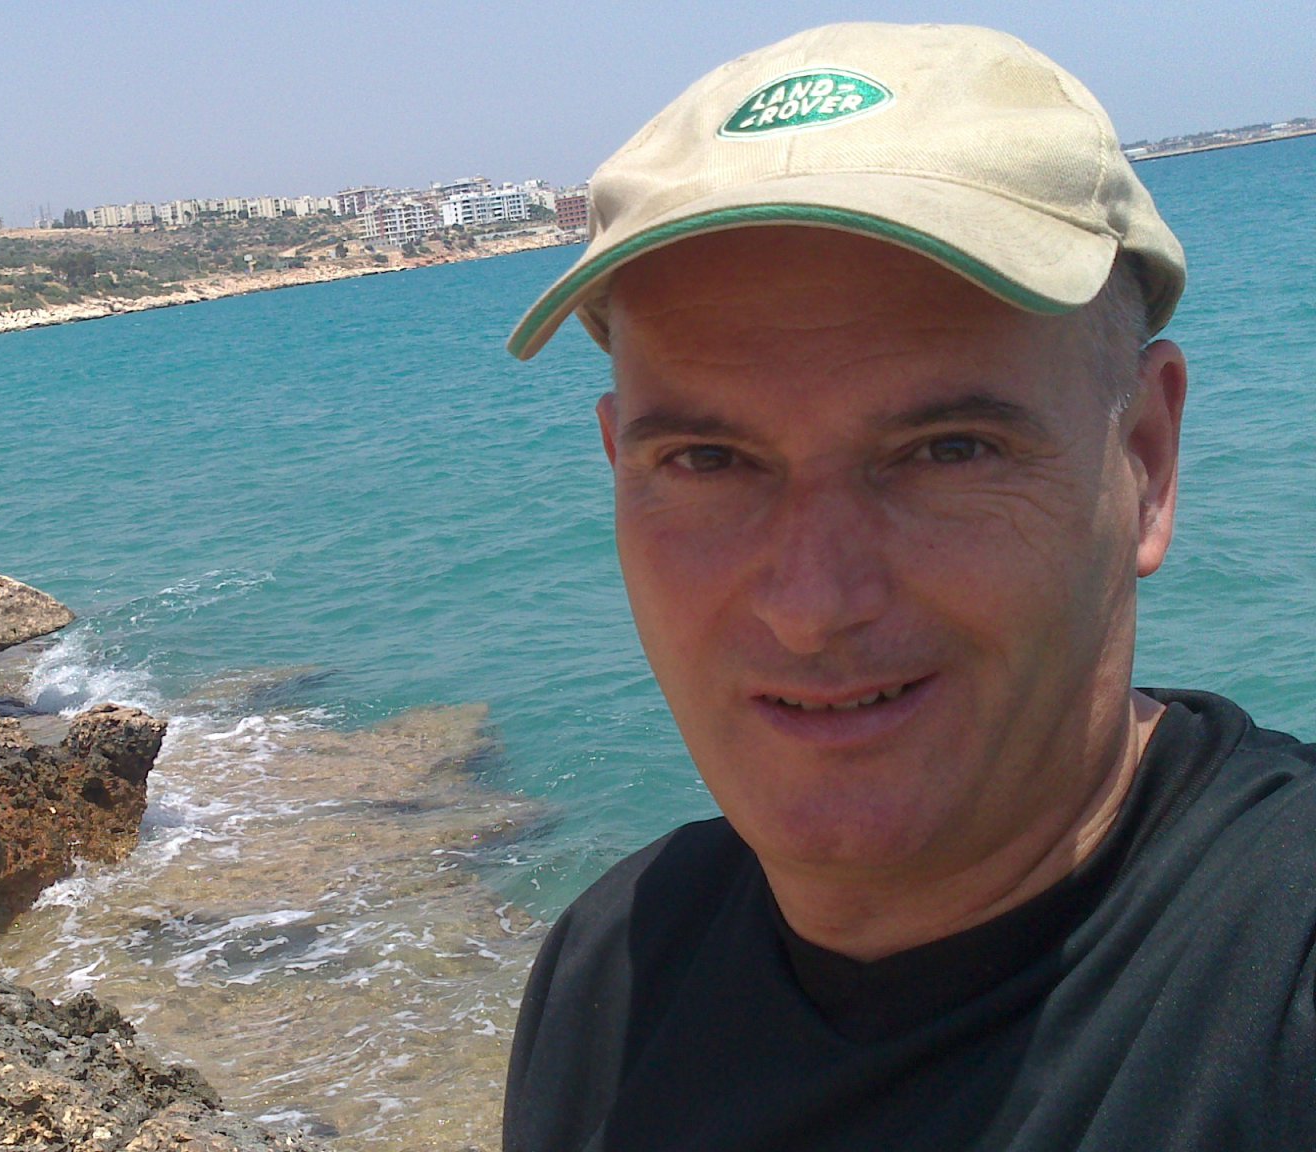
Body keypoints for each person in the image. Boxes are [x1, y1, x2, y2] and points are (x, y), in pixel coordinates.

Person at [501, 22, 1316, 1152]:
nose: (811, 604)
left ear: (1145, 460)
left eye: (948, 451)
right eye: (707, 461)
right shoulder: (614, 966)